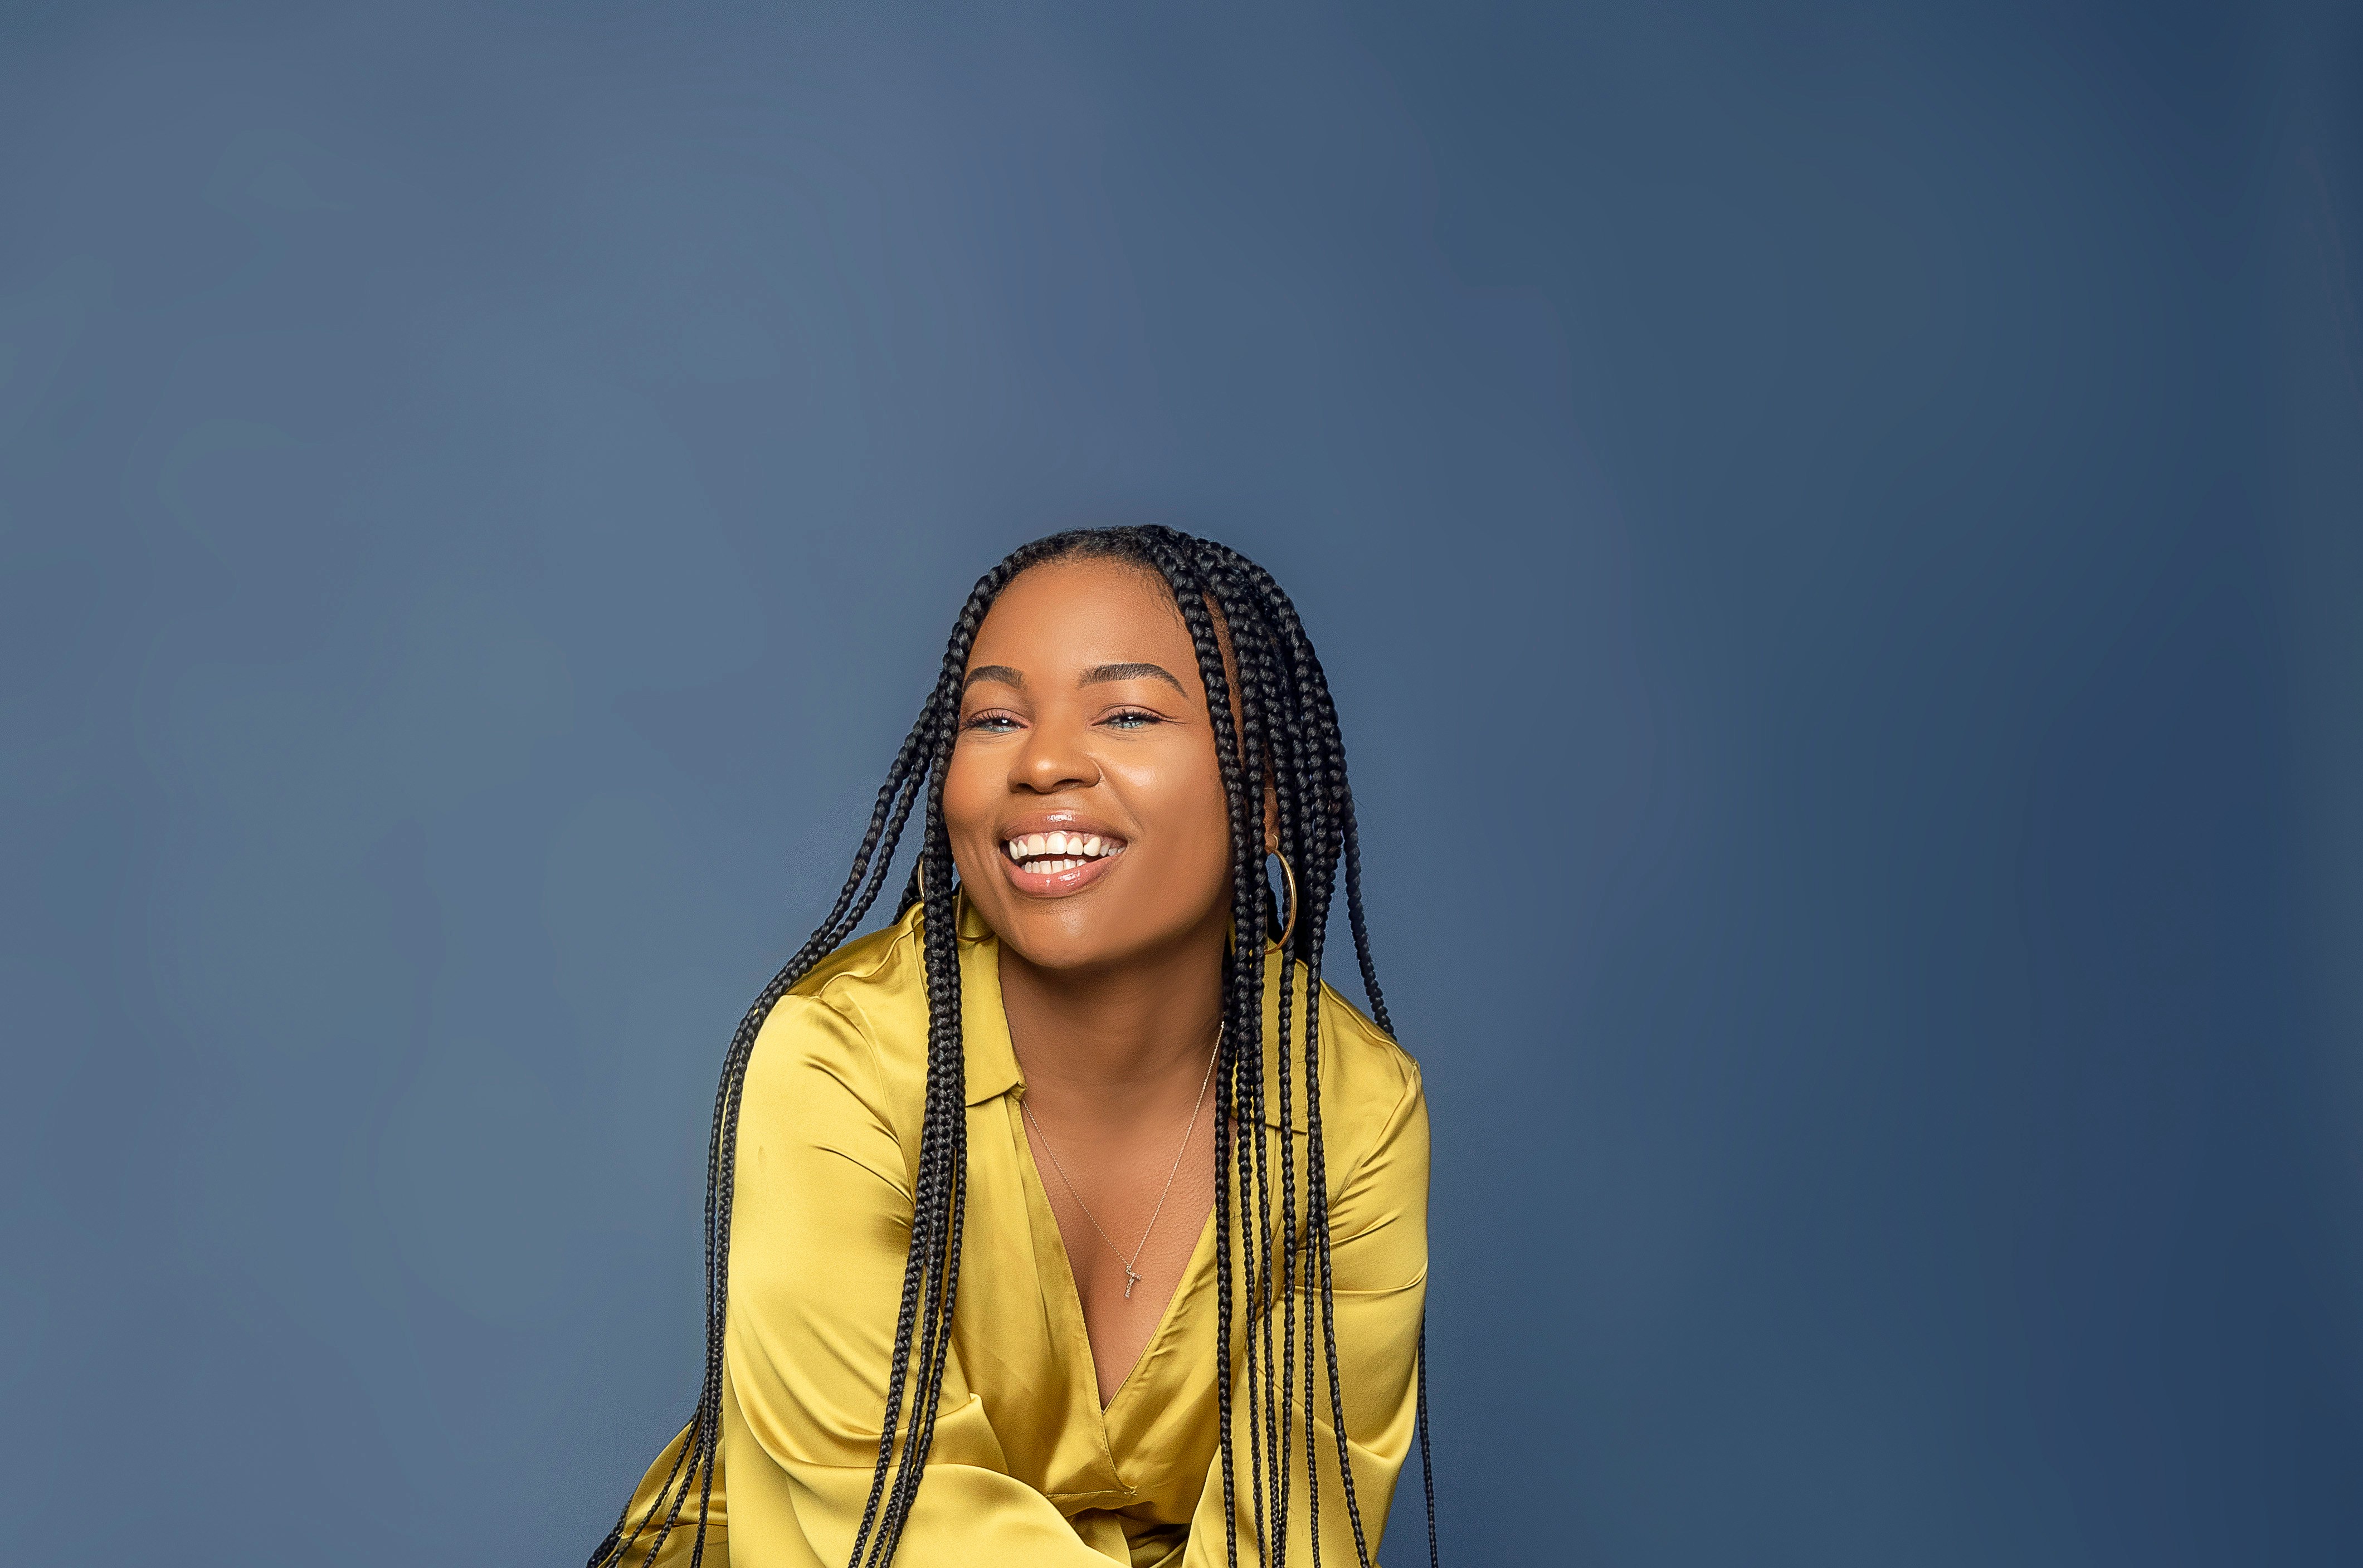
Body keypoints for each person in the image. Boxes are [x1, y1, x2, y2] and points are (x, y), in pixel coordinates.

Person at [588, 527, 1436, 1568]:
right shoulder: (835, 1062)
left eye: (1125, 712)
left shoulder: (1352, 1110)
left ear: (1265, 798)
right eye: (993, 718)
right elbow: (890, 1525)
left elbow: (1298, 1536)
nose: (1039, 763)